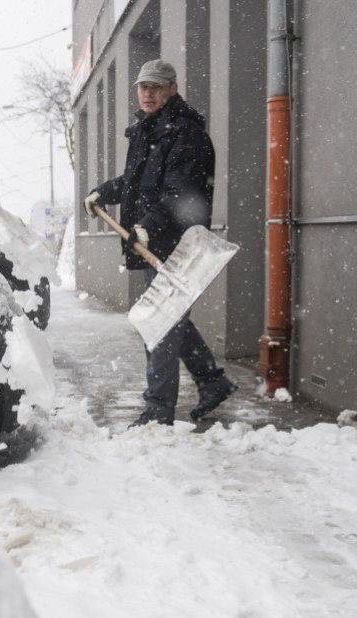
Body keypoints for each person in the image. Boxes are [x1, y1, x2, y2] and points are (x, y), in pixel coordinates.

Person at [83, 59, 236, 427]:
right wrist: (104, 192)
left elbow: (178, 192)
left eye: (156, 86)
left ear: (172, 89)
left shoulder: (186, 134)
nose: (148, 93)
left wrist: (147, 226)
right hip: (156, 242)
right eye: (143, 86)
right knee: (171, 317)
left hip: (179, 246)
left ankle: (157, 409)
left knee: (160, 324)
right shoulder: (146, 130)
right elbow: (137, 182)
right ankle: (211, 381)